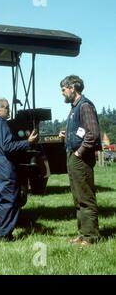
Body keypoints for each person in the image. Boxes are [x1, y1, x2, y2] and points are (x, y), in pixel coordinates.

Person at [0, 98, 38, 241]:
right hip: (5, 164)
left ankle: (0, 232)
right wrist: (28, 142)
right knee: (10, 199)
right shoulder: (0, 123)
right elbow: (7, 147)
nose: (9, 110)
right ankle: (5, 235)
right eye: (6, 108)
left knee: (0, 199)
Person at [59, 75, 101, 246]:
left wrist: (79, 153)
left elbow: (92, 133)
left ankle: (91, 236)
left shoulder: (84, 106)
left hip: (80, 158)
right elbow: (82, 131)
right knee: (78, 198)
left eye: (63, 90)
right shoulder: (75, 107)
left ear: (72, 88)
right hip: (74, 155)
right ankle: (83, 234)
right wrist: (66, 135)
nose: (62, 93)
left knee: (85, 197)